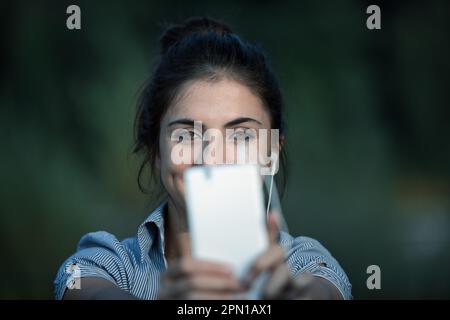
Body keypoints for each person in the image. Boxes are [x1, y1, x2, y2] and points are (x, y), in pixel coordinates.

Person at [54, 16, 352, 300]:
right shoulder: (108, 264)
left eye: (241, 136)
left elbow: (319, 291)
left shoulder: (305, 264)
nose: (212, 158)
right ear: (155, 151)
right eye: (187, 135)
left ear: (272, 151)